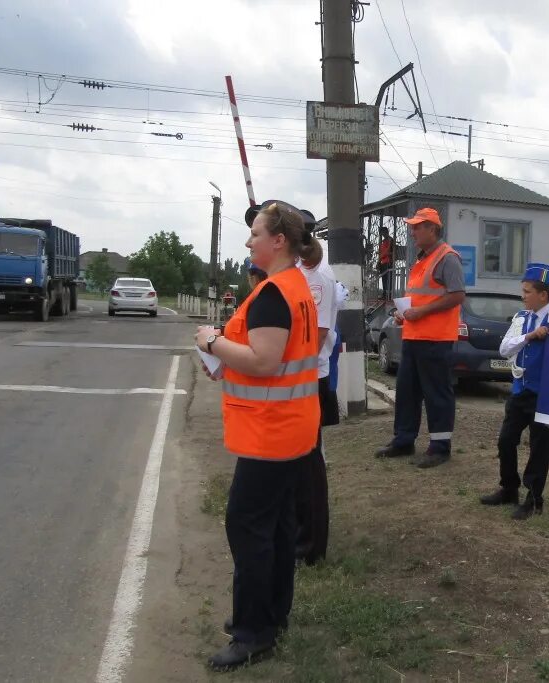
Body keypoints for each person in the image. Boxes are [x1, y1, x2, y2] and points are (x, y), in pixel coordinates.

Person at [194, 201, 319, 670]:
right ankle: (272, 615)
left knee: (248, 529)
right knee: (280, 528)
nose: (249, 241)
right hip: (291, 428)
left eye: (255, 234)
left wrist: (210, 341)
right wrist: (228, 354)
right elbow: (271, 355)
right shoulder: (294, 287)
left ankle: (252, 634)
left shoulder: (273, 294)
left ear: (278, 241)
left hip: (270, 432)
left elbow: (265, 361)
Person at [373, 207, 465, 469]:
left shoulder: (448, 258)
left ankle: (440, 447)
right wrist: (403, 313)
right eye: (412, 226)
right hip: (414, 337)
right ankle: (403, 440)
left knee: (437, 395)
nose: (412, 232)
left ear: (433, 229)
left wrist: (420, 311)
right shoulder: (423, 259)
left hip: (436, 341)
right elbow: (421, 296)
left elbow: (457, 295)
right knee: (407, 393)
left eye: (417, 227)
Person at [479, 263, 549, 519]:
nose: (523, 296)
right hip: (520, 390)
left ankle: (534, 498)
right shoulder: (521, 318)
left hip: (544, 395)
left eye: (527, 291)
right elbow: (504, 349)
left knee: (539, 448)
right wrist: (529, 337)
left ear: (543, 295)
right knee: (506, 440)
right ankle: (509, 488)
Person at [294, 235, 340, 565]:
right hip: (297, 376)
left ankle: (311, 546)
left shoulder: (319, 278)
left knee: (309, 463)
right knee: (298, 459)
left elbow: (318, 334)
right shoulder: (295, 272)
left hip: (310, 377)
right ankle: (299, 533)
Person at [378, 225, 394, 298]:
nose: (383, 234)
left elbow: (392, 252)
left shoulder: (391, 240)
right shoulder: (383, 241)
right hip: (383, 261)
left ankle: (389, 295)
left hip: (388, 261)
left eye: (383, 232)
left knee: (388, 279)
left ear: (387, 232)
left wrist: (386, 254)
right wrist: (378, 261)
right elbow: (381, 252)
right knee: (384, 279)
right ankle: (384, 294)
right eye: (381, 233)